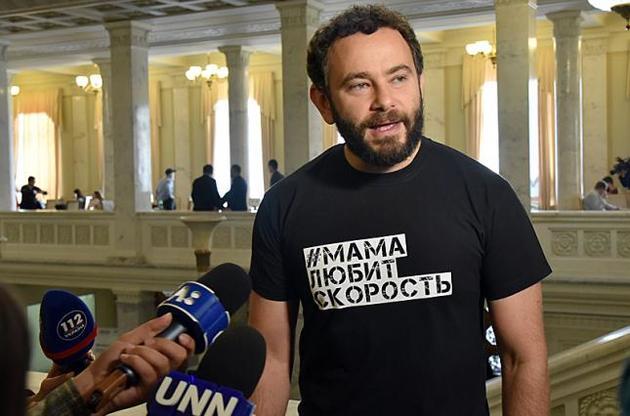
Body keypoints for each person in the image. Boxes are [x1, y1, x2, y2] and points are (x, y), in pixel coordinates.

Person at [248, 6, 551, 416]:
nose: (385, 101)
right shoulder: (283, 206)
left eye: (399, 77)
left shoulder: (486, 195)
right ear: (324, 103)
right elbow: (271, 359)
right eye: (359, 85)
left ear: (420, 83)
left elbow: (522, 358)